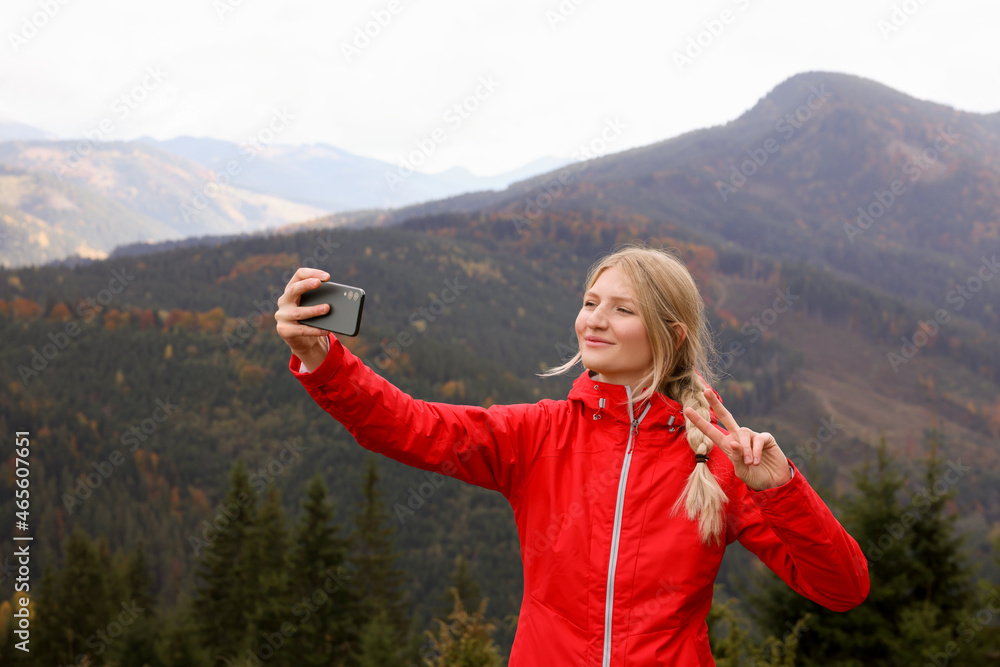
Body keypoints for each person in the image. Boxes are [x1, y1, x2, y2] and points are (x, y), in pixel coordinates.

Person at [275, 245, 870, 666]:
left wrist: (780, 487)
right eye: (591, 303)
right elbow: (411, 427)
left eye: (622, 309)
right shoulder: (539, 435)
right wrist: (325, 360)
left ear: (672, 335)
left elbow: (843, 589)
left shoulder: (719, 463)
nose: (594, 321)